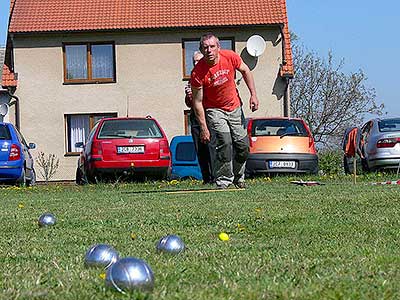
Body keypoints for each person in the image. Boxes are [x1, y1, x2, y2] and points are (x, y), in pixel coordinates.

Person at [190, 33, 259, 189]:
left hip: (234, 107)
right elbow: (197, 102)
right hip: (214, 110)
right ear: (201, 49)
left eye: (212, 46)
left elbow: (246, 71)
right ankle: (224, 180)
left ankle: (239, 177)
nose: (209, 50)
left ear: (218, 47)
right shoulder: (197, 73)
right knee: (224, 142)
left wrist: (253, 95)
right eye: (205, 47)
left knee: (242, 146)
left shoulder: (230, 57)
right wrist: (204, 128)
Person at [185, 51, 214, 184]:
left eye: (198, 61)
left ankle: (216, 177)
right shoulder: (193, 77)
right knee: (200, 150)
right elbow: (190, 103)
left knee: (211, 148)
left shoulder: (209, 74)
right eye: (194, 61)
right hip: (195, 119)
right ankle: (206, 178)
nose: (196, 64)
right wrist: (189, 95)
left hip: (209, 116)